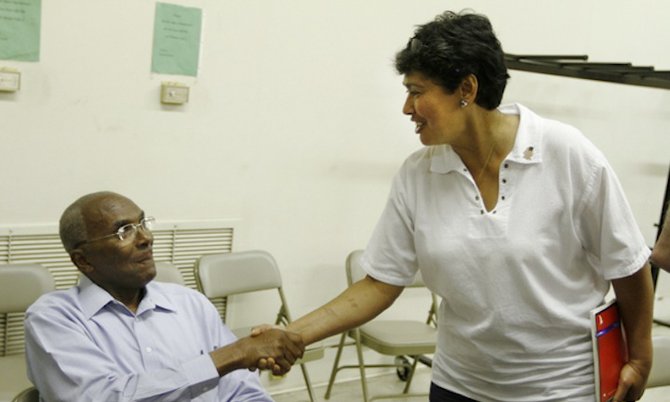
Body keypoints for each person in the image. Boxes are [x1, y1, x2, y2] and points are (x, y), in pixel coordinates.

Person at [278, 10, 654, 402]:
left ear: (467, 89)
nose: (407, 108)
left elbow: (627, 264)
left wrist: (641, 357)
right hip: (460, 386)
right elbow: (379, 283)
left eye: (417, 91)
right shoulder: (419, 174)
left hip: (559, 388)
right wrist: (293, 334)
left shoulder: (567, 155)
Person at [24, 191, 304, 401]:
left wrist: (242, 358)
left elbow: (241, 389)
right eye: (124, 231)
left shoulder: (189, 303)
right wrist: (235, 353)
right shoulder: (53, 318)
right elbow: (104, 398)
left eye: (143, 222)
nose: (145, 237)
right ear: (83, 260)